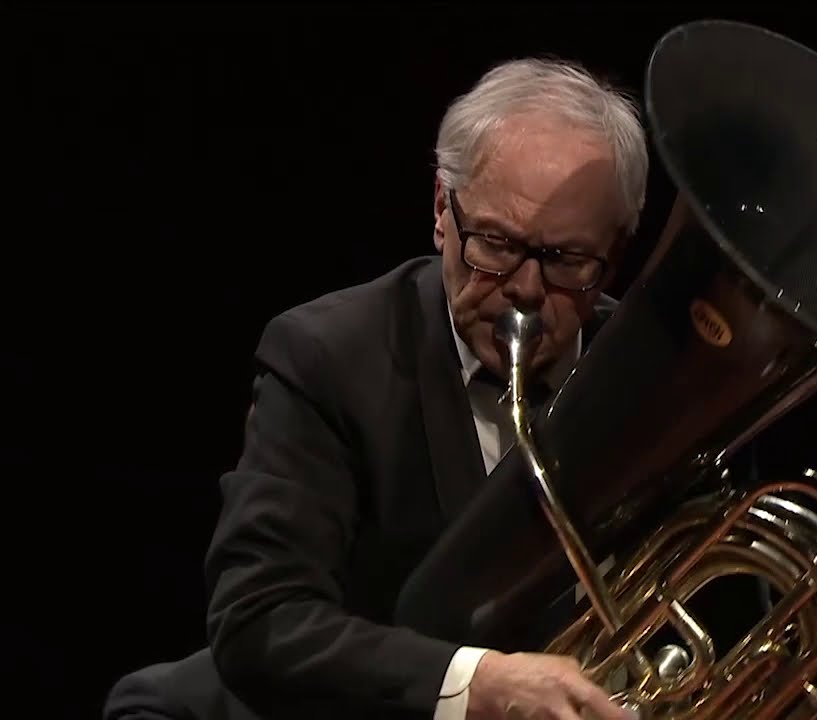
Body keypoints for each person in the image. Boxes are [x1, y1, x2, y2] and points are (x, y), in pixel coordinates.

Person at [104, 56, 651, 720]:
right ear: (441, 212)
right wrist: (473, 685)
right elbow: (260, 619)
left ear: (616, 252)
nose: (526, 290)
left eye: (566, 259)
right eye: (496, 244)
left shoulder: (660, 374)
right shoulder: (329, 356)